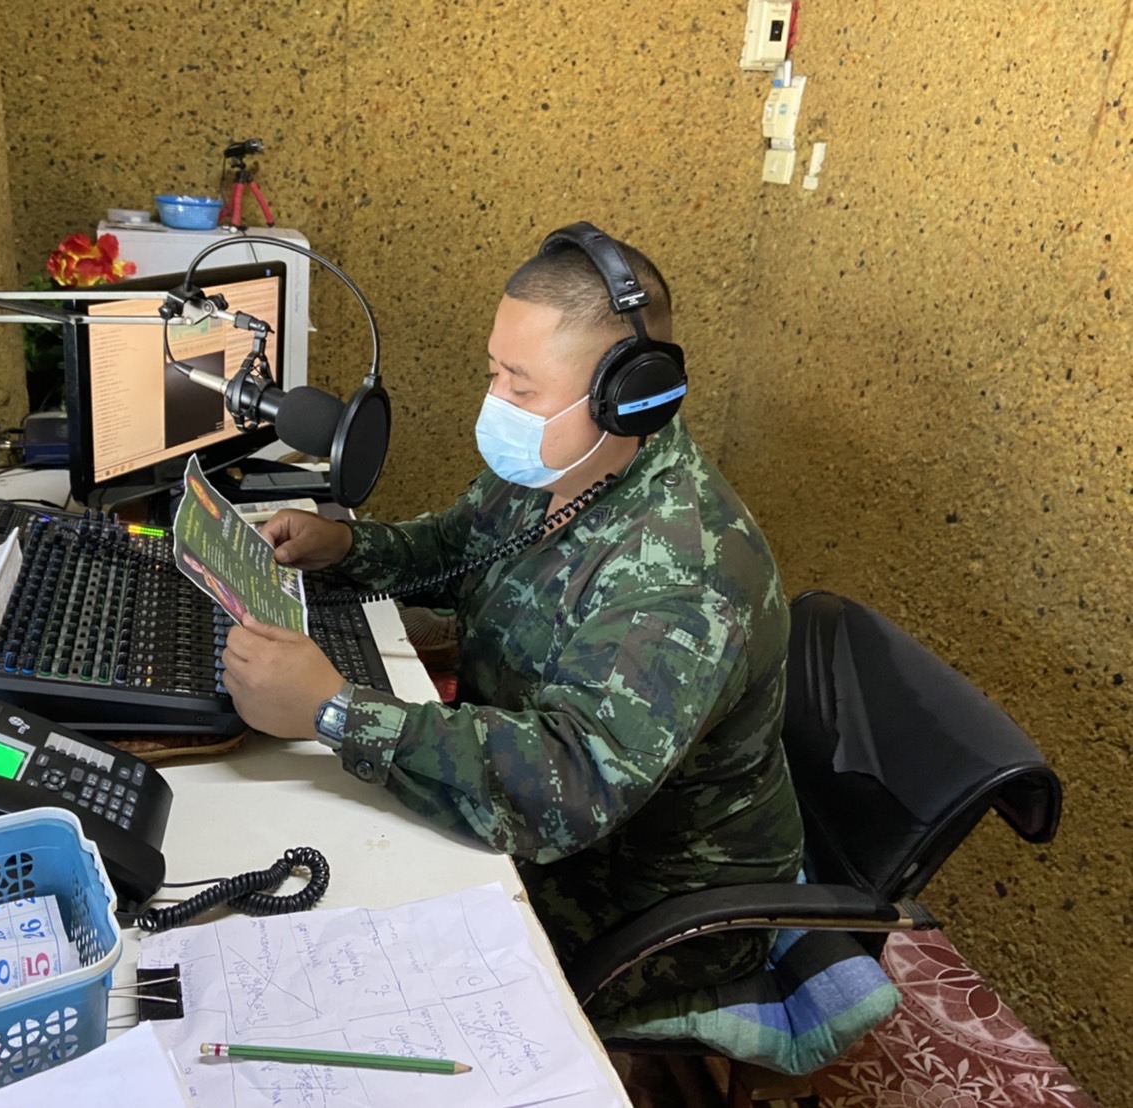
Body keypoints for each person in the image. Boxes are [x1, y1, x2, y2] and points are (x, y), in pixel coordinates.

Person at [220, 224, 804, 1020]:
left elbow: (573, 787)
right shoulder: (563, 463)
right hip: (556, 816)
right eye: (494, 373)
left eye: (521, 389)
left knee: (351, 959)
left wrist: (335, 710)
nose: (496, 404)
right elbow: (453, 548)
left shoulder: (688, 574)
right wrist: (345, 546)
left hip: (647, 901)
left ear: (627, 395)